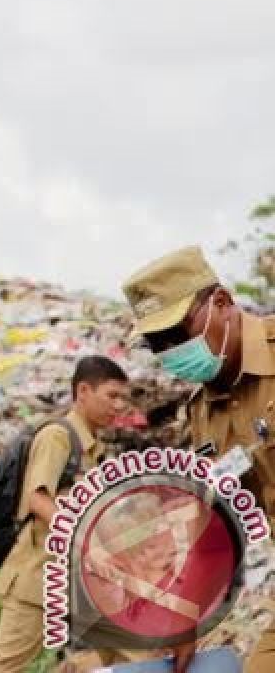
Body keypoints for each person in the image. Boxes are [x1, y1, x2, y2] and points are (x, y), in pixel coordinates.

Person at [122, 246, 275, 673]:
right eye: (158, 343)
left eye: (178, 332)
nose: (172, 350)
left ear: (223, 302)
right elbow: (215, 521)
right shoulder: (203, 413)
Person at [0, 355, 130, 673]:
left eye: (123, 398)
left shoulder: (94, 448)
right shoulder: (57, 437)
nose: (119, 406)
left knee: (129, 647)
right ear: (83, 391)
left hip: (80, 579)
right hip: (38, 577)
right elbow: (38, 502)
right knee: (3, 664)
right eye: (111, 396)